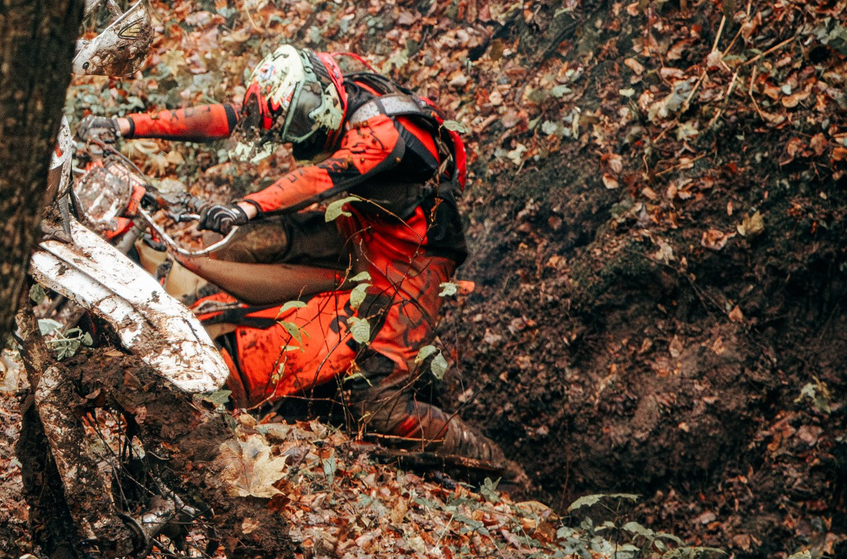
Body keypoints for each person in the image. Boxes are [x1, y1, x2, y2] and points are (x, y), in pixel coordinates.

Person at [80, 44, 520, 476]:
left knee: (378, 408)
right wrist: (125, 124)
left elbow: (319, 178)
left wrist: (247, 205)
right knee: (245, 243)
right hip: (358, 222)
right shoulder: (321, 95)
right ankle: (216, 315)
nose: (299, 141)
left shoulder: (381, 133)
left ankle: (493, 464)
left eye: (304, 131)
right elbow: (232, 117)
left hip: (413, 258)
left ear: (322, 101)